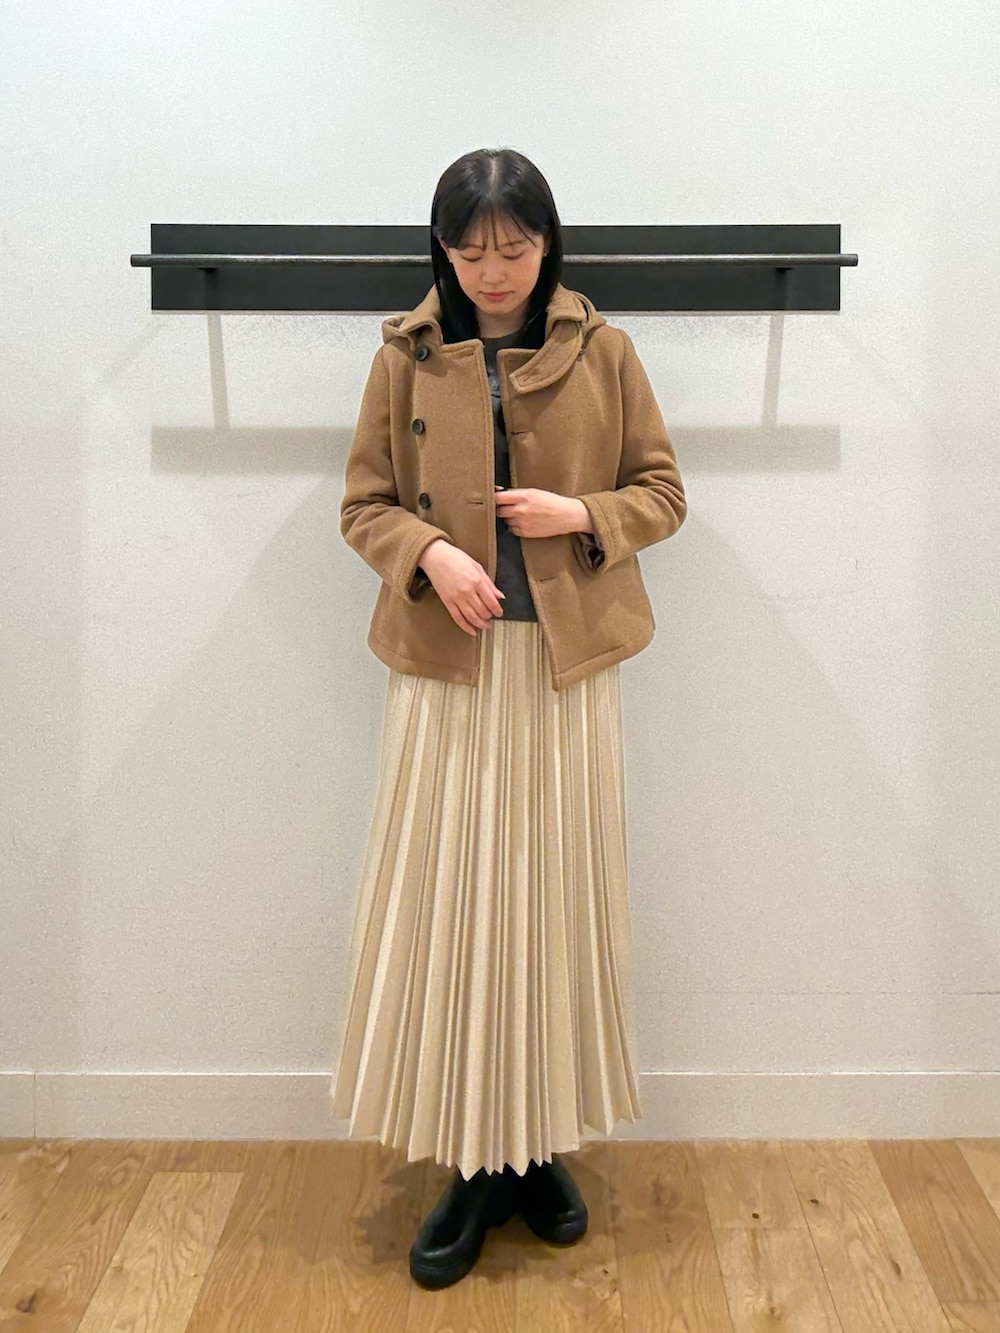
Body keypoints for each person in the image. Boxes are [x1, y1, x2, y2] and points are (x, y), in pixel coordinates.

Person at [331, 147, 686, 1289]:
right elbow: (362, 504)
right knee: (454, 912)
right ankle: (472, 1161)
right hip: (448, 674)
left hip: (565, 672)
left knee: (553, 906)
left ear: (548, 246)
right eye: (470, 249)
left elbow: (663, 492)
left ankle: (536, 1147)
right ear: (442, 250)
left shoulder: (604, 351)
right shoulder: (403, 356)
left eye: (515, 248)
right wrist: (430, 552)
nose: (493, 271)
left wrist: (578, 512)